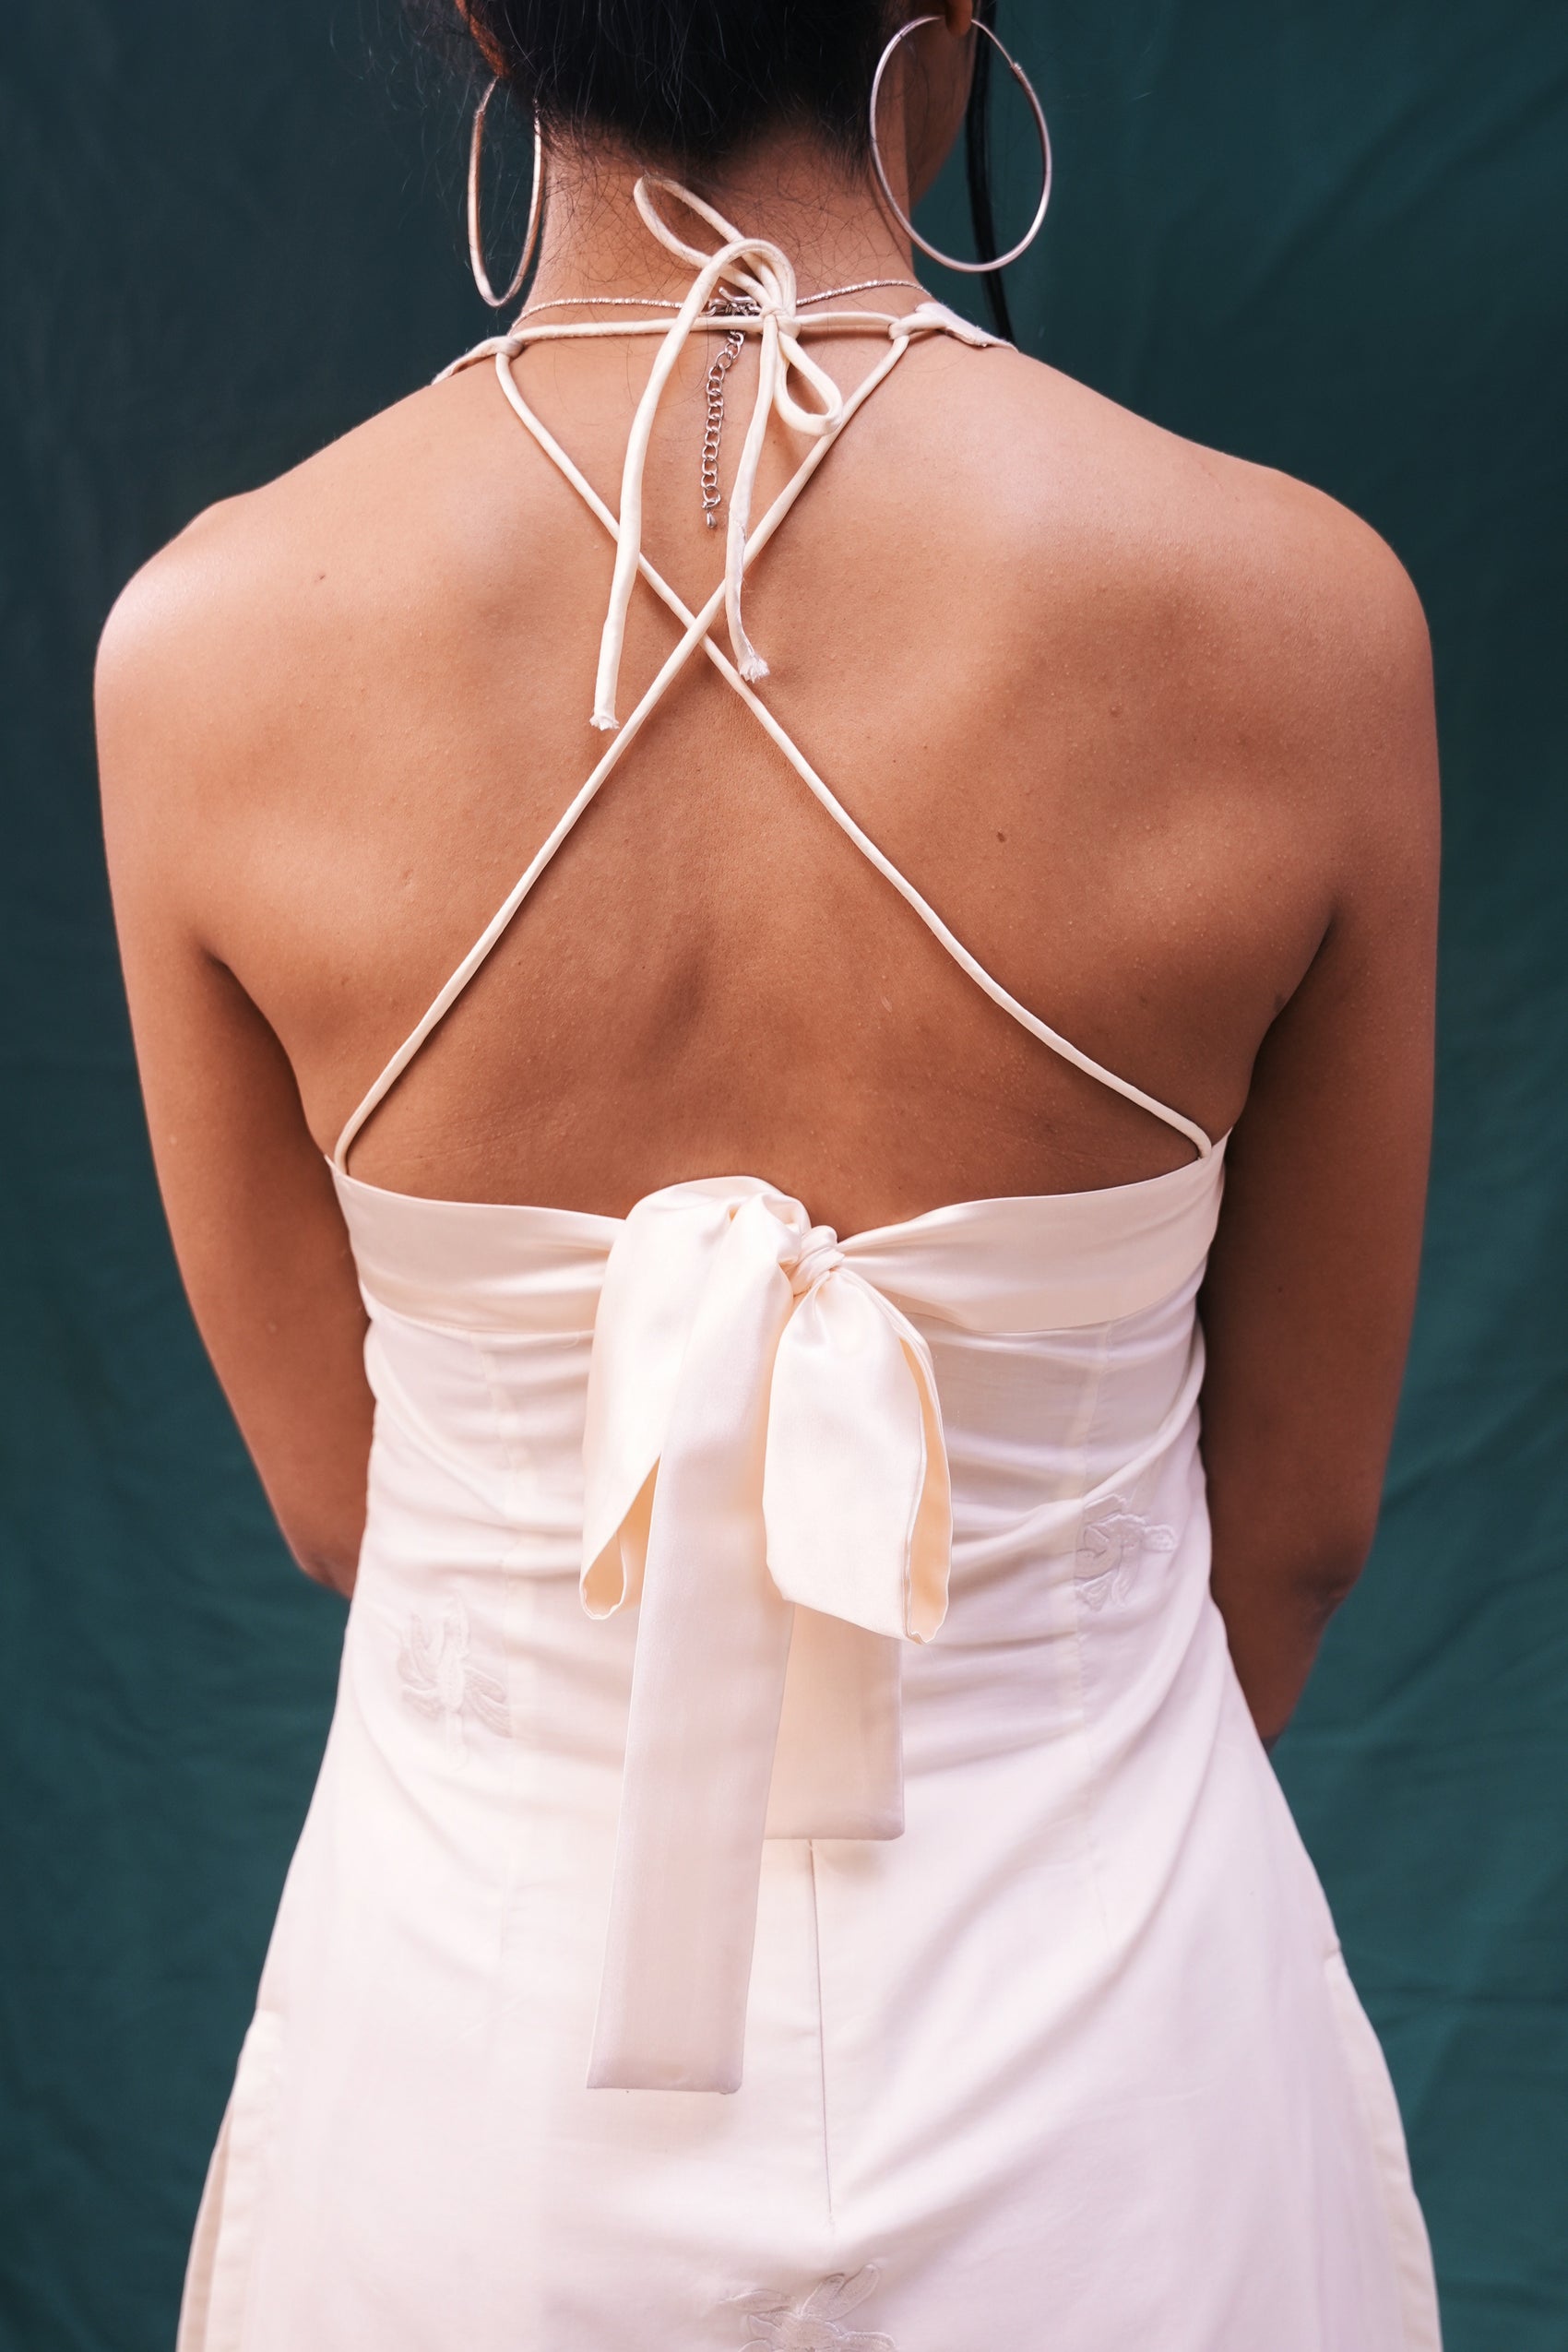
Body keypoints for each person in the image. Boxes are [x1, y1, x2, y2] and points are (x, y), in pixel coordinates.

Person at [94, 1, 1443, 2344]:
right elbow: (1299, 1529)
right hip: (1116, 2078)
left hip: (473, 2093)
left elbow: (343, 1506)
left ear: (484, 15)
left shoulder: (204, 649)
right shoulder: (1300, 619)